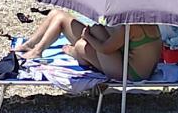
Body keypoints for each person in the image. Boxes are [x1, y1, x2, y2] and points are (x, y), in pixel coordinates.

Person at [15, 10, 163, 81]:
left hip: (129, 75)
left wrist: (88, 37)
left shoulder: (130, 27)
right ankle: (31, 45)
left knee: (83, 44)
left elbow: (105, 49)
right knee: (57, 14)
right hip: (130, 65)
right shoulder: (147, 21)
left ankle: (39, 51)